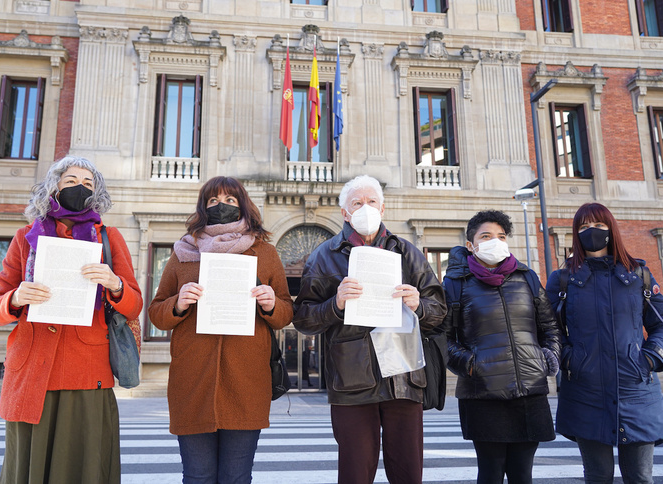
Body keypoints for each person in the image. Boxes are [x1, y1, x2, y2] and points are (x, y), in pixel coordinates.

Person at [0, 156, 143, 484]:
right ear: (53, 186)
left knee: (82, 468)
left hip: (86, 374)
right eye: (71, 180)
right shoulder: (25, 237)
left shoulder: (109, 238)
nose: (79, 187)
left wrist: (114, 284)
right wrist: (16, 298)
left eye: (88, 183)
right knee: (25, 471)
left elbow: (134, 304)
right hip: (31, 374)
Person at [293, 175, 447, 484]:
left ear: (383, 207)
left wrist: (419, 305)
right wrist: (335, 304)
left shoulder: (408, 253)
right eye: (357, 203)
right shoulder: (323, 256)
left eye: (372, 202)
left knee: (407, 471)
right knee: (355, 471)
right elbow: (304, 318)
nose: (366, 208)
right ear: (345, 213)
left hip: (402, 377)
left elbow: (440, 312)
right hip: (351, 380)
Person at [147, 176, 293, 484]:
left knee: (236, 478)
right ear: (203, 207)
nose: (221, 206)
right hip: (192, 382)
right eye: (213, 201)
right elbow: (157, 314)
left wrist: (269, 304)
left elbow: (285, 313)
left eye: (229, 200)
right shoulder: (182, 252)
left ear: (243, 206)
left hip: (246, 382)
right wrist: (178, 302)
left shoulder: (264, 253)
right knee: (197, 477)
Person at [546, 203, 663, 484]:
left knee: (640, 478)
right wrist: (570, 359)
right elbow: (549, 330)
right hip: (586, 391)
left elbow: (660, 325)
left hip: (635, 390)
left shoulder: (639, 275)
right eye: (584, 227)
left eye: (599, 225)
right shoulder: (562, 280)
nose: (592, 232)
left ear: (611, 229)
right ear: (576, 233)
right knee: (597, 477)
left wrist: (649, 359)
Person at [444, 210, 561, 484]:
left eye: (500, 236)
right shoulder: (454, 284)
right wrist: (471, 364)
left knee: (523, 475)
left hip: (529, 391)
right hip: (483, 393)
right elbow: (442, 337)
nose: (495, 241)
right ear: (470, 244)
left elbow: (550, 327)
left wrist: (548, 357)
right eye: (486, 236)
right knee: (491, 473)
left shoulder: (528, 278)